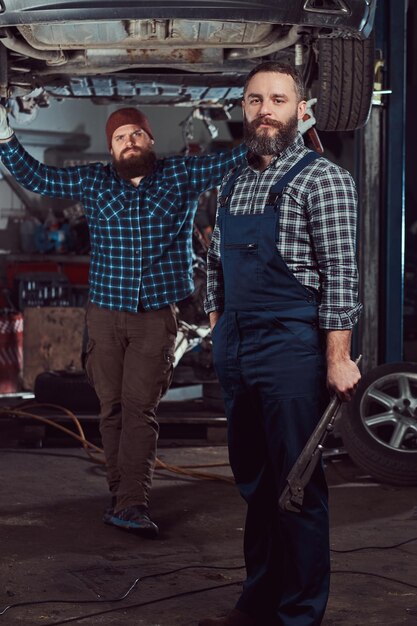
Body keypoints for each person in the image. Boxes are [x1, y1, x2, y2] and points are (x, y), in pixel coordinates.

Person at [0, 105, 247, 539]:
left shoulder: (180, 175)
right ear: (110, 147)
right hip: (105, 316)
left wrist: (284, 130)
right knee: (110, 408)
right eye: (119, 137)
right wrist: (5, 137)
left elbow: (237, 158)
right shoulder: (94, 181)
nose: (128, 141)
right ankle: (121, 496)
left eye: (135, 134)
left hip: (155, 317)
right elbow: (39, 178)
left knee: (140, 409)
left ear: (149, 139)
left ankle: (133, 502)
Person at [199, 61, 362, 626]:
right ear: (243, 109)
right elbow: (215, 263)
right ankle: (260, 596)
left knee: (296, 485)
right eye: (253, 100)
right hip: (239, 344)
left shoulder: (324, 179)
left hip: (292, 344)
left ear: (300, 109)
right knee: (255, 479)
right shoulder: (233, 182)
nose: (264, 109)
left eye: (277, 99)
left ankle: (300, 612)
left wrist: (338, 357)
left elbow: (342, 272)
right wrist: (219, 322)